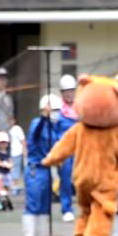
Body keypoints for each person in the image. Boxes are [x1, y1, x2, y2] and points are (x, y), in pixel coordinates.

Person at [22, 94, 61, 236]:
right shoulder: (37, 123)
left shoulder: (53, 127)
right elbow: (35, 135)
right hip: (35, 168)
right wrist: (44, 116)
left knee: (45, 204)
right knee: (34, 202)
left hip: (47, 169)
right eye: (54, 110)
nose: (57, 113)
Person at [54, 74, 78, 222]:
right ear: (62, 93)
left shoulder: (81, 108)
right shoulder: (58, 111)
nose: (69, 94)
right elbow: (53, 132)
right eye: (66, 91)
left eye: (71, 91)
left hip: (81, 149)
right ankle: (67, 209)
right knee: (65, 179)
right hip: (65, 151)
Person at [7, 117, 26, 195]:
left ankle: (16, 187)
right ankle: (16, 186)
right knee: (15, 169)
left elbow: (23, 140)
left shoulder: (17, 128)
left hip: (18, 151)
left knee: (16, 169)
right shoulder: (11, 130)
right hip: (13, 152)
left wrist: (24, 150)